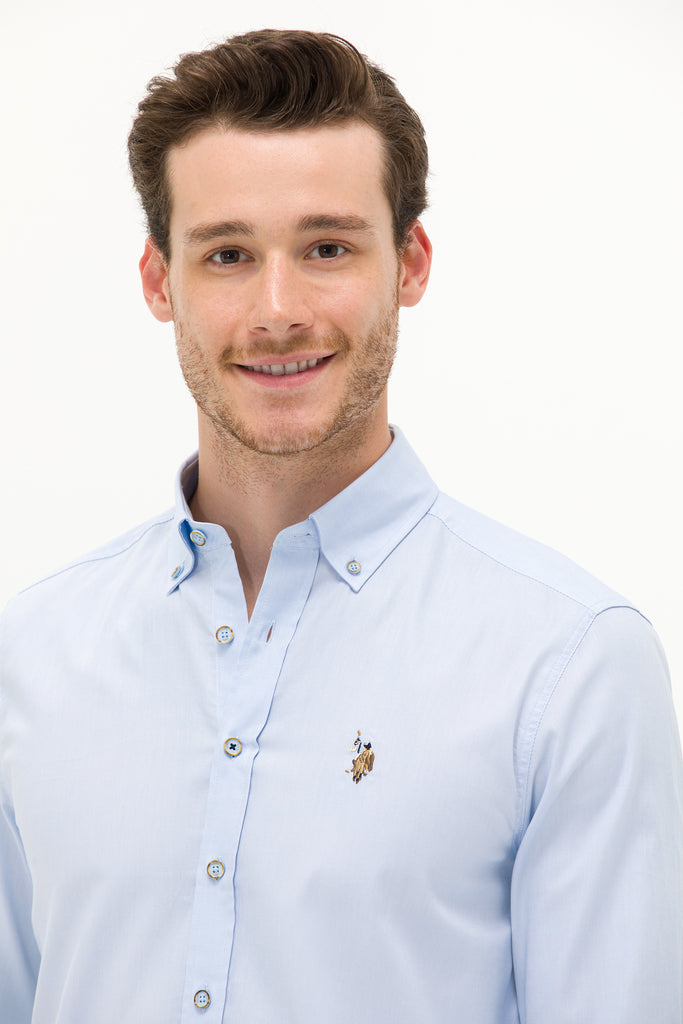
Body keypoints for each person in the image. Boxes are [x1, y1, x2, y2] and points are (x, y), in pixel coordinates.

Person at [0, 28, 681, 1024]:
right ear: (158, 281)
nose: (277, 311)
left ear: (409, 263)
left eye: (326, 248)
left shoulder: (569, 667)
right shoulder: (29, 659)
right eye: (227, 254)